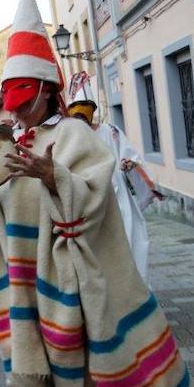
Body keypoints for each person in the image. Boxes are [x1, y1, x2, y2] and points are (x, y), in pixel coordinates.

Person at [0, 0, 194, 387]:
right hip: (25, 275)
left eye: (24, 102)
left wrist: (52, 177)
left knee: (117, 352)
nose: (18, 113)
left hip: (71, 276)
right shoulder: (6, 145)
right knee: (28, 356)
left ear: (48, 90)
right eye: (12, 105)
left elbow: (96, 200)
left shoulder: (74, 137)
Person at [67, 89, 161, 284]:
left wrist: (128, 164)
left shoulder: (110, 132)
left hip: (118, 199)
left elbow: (130, 157)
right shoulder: (69, 137)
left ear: (91, 112)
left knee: (129, 241)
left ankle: (133, 293)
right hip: (87, 201)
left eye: (84, 113)